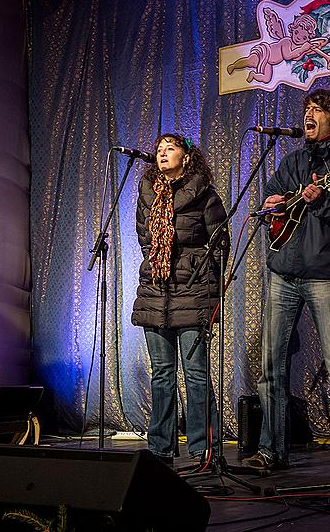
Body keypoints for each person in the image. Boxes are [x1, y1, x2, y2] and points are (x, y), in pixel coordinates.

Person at [243, 89, 330, 477]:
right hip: (282, 273)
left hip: (324, 274)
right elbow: (272, 207)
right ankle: (271, 451)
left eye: (317, 109)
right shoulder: (292, 160)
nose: (309, 114)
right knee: (271, 367)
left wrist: (322, 200)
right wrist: (272, 207)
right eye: (307, 109)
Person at [131, 133, 228, 464]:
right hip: (156, 290)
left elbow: (220, 243)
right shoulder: (147, 194)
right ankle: (161, 448)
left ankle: (203, 449)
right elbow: (144, 238)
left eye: (169, 148)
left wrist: (201, 279)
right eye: (158, 149)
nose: (161, 153)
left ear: (187, 156)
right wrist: (158, 262)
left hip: (194, 291)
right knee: (162, 374)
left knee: (196, 373)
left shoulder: (204, 194)